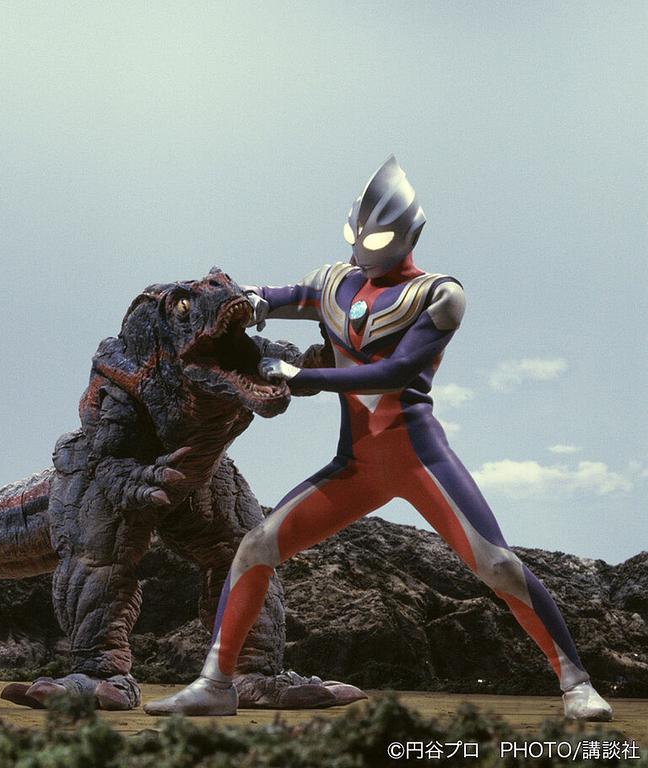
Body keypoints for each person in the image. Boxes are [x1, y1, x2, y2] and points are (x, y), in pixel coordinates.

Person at [144, 156, 613, 721]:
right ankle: (216, 683)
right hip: (357, 465)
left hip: (418, 458)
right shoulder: (334, 284)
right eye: (356, 236)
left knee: (497, 565)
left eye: (377, 239)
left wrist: (302, 377)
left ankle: (576, 683)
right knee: (256, 547)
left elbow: (396, 373)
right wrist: (237, 300)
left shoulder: (438, 294)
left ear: (409, 234)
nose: (362, 250)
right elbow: (273, 296)